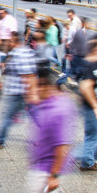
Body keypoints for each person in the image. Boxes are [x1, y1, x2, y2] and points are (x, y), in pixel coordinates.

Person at [26, 64, 76, 192]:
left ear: (47, 87)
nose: (35, 90)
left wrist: (54, 176)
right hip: (43, 166)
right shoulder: (53, 103)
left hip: (45, 170)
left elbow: (62, 146)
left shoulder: (57, 111)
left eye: (38, 86)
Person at [0, 32, 37, 149]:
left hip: (18, 93)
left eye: (9, 41)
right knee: (34, 117)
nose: (7, 43)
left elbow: (28, 75)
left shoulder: (20, 54)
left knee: (7, 117)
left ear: (14, 42)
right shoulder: (24, 52)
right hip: (19, 92)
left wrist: (30, 94)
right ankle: (44, 139)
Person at [79, 39, 97, 171]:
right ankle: (87, 162)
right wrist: (95, 106)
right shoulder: (92, 64)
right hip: (91, 106)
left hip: (91, 106)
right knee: (92, 135)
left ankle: (90, 157)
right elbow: (85, 86)